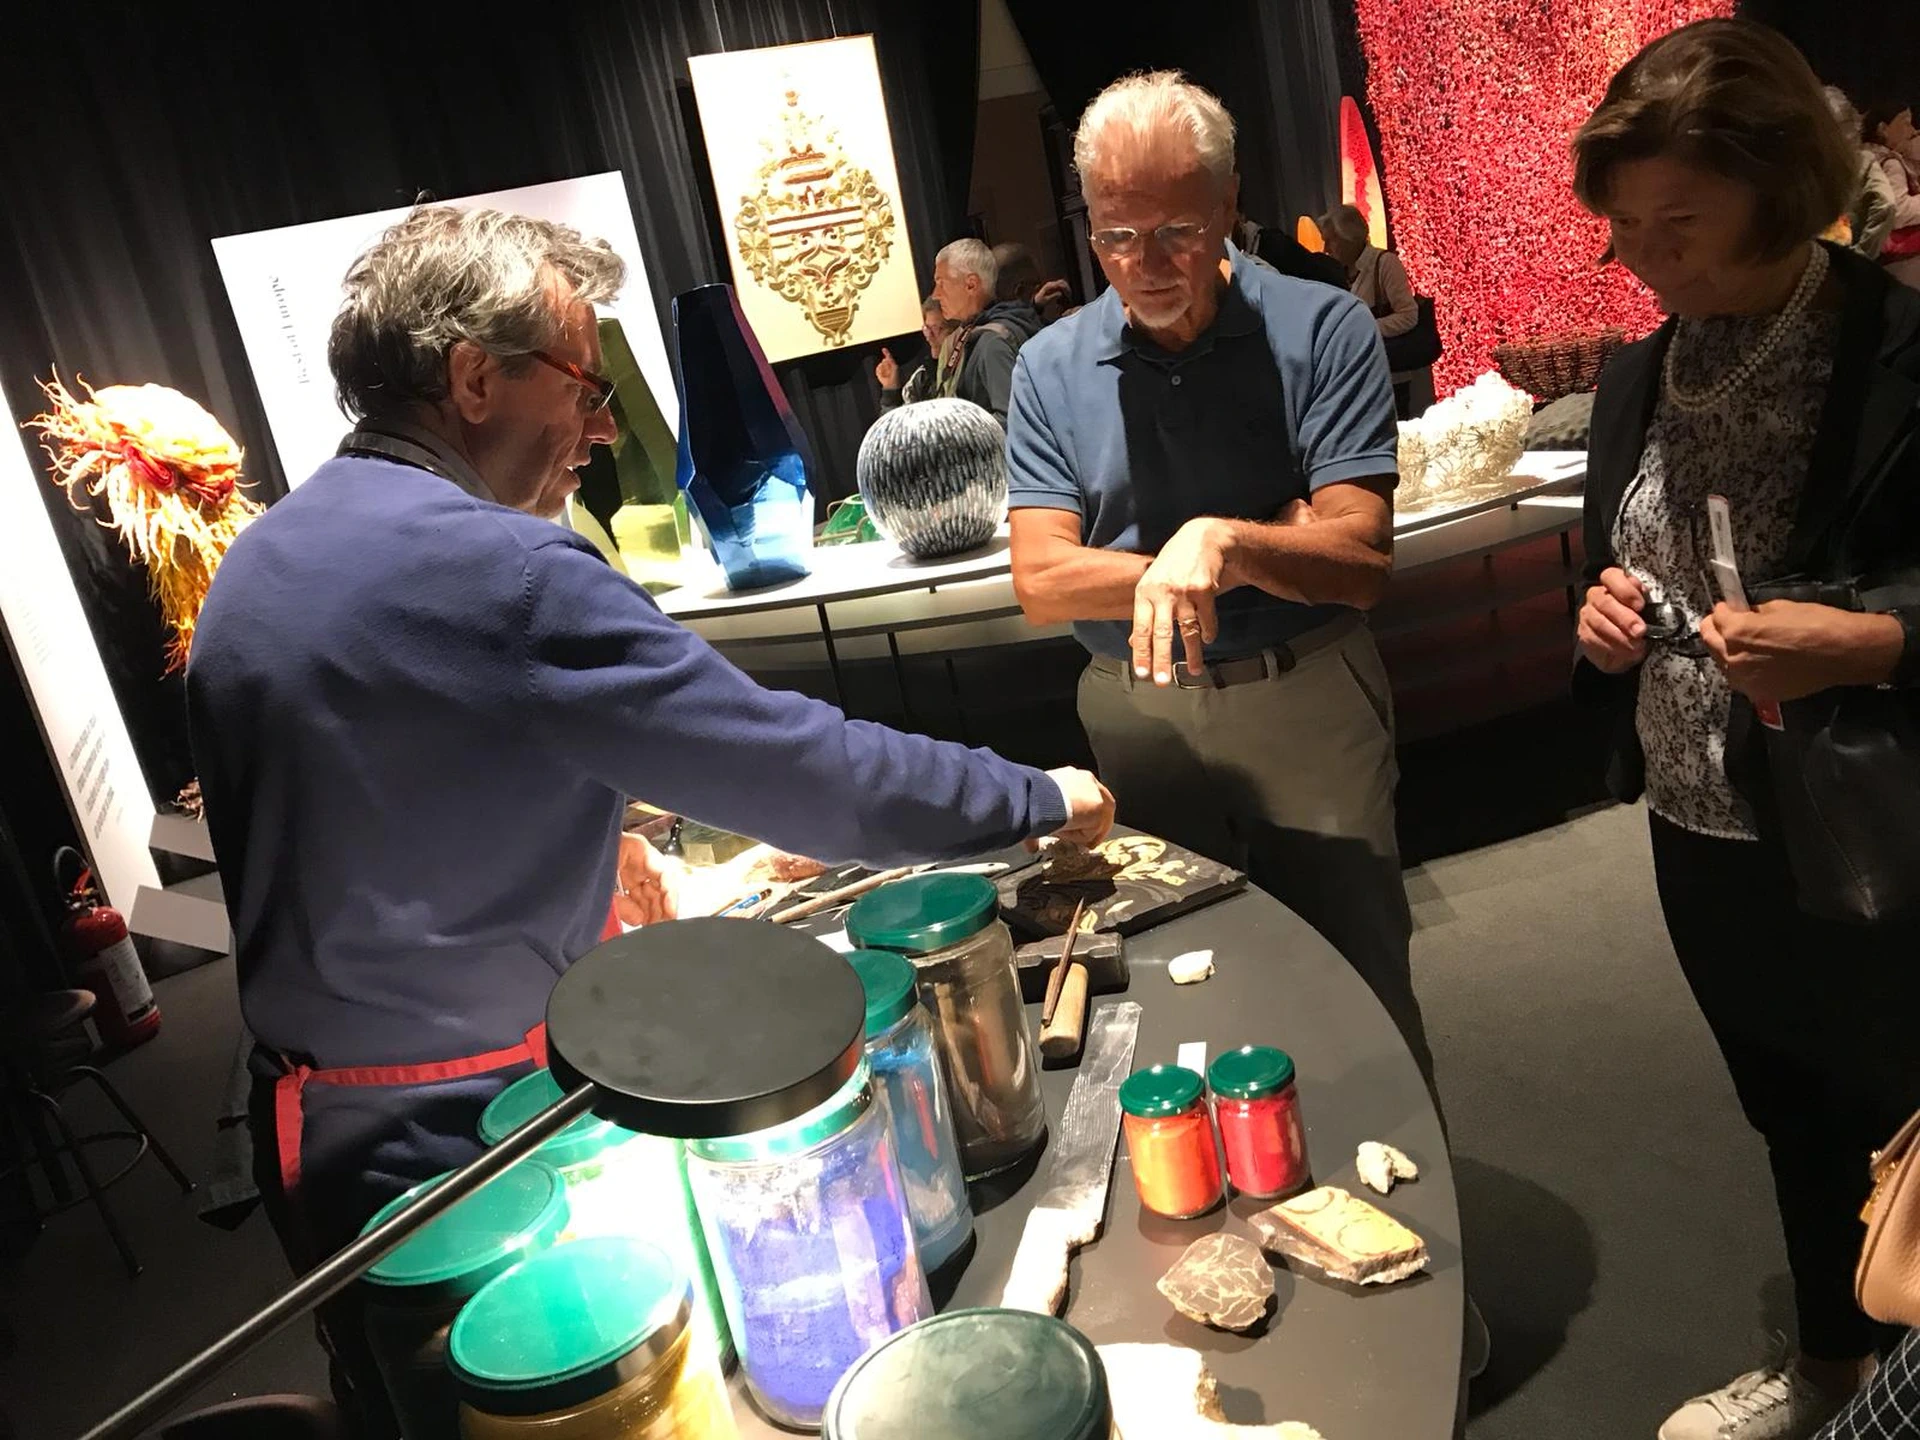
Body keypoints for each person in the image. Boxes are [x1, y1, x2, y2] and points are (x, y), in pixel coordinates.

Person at [187, 205, 1115, 1438]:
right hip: (474, 1153)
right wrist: (1032, 797)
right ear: (474, 380)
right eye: (583, 383)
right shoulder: (509, 574)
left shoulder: (261, 560)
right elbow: (800, 770)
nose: (604, 424)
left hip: (317, 1138)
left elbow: (381, 786)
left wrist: (580, 827)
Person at [1571, 21, 1920, 1439]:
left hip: (1875, 814)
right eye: (1624, 224)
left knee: (1908, 1118)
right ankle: (1836, 1376)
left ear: (1780, 192)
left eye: (1679, 224)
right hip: (1701, 816)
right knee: (1789, 1106)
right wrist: (1601, 611)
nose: (1643, 257)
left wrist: (1873, 640)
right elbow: (1624, 556)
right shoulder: (1642, 370)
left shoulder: (1899, 349)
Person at [1003, 70, 1433, 1091]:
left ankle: (1400, 1182)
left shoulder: (1321, 328)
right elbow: (1042, 581)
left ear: (1230, 203)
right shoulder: (1050, 365)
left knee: (1356, 975)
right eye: (1116, 235)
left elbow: (1360, 566)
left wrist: (1223, 544)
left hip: (1303, 695)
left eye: (1177, 233)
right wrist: (1254, 545)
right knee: (1181, 984)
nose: (1144, 265)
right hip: (1138, 708)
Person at [1318, 203, 1426, 417]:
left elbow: (1408, 315)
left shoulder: (1384, 263)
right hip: (1361, 377)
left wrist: (1364, 327)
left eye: (1331, 240)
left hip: (1390, 375)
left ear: (1350, 237)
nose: (1326, 249)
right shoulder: (1339, 272)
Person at [929, 237, 1045, 425]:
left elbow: (1012, 423)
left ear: (971, 284)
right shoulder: (990, 330)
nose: (935, 294)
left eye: (941, 283)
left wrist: (957, 433)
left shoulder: (992, 343)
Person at [1823, 88, 1900, 260]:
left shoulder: (1797, 166)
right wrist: (1862, 256)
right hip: (1840, 260)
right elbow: (1887, 205)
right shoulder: (1864, 160)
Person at [1861, 103, 1920, 286]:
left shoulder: (1867, 155)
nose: (1912, 130)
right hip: (1896, 258)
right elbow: (1898, 210)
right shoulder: (1890, 162)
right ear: (1883, 129)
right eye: (1905, 123)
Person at [875, 293, 952, 409]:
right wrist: (891, 390)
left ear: (955, 329)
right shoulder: (921, 377)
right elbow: (900, 420)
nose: (929, 336)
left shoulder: (968, 363)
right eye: (927, 328)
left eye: (936, 328)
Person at [991, 240, 1073, 322]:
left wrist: (1035, 306)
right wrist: (1073, 319)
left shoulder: (992, 320)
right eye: (1036, 284)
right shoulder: (1019, 328)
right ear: (1019, 291)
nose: (1040, 289)